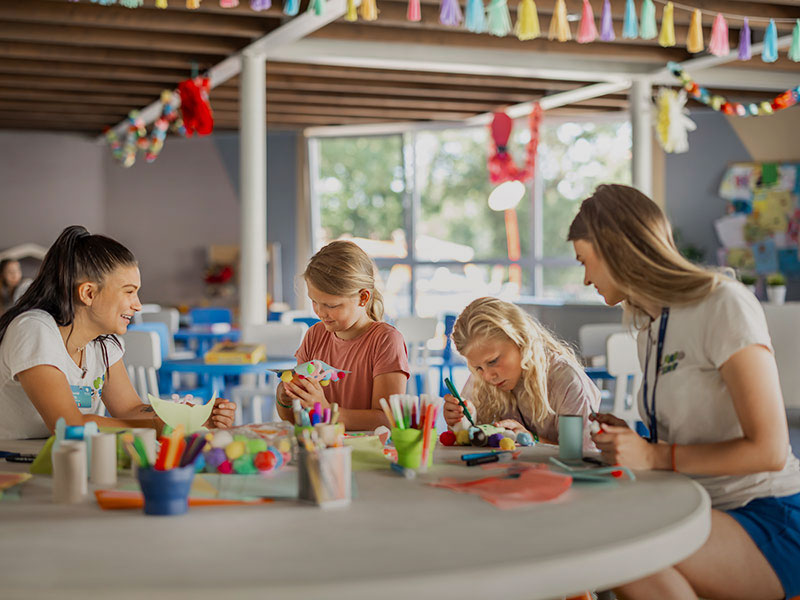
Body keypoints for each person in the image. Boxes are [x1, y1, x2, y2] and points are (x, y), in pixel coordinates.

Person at [568, 184, 800, 600]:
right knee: (603, 535)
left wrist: (654, 456)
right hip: (696, 504)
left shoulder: (723, 303)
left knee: (621, 551)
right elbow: (691, 437)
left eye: (586, 262)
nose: (586, 278)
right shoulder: (647, 324)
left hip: (768, 512)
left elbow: (771, 450)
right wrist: (635, 443)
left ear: (617, 249)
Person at [0, 225, 236, 440]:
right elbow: (70, 426)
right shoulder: (34, 330)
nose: (138, 305)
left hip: (62, 463)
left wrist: (188, 417)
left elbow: (130, 409)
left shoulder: (102, 344)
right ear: (88, 294)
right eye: (129, 292)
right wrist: (155, 427)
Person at [275, 240, 409, 430]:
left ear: (363, 298)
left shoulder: (385, 340)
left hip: (368, 453)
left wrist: (325, 410)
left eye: (331, 305)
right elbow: (295, 419)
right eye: (314, 302)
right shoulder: (314, 335)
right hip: (321, 450)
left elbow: (389, 421)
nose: (320, 313)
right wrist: (286, 399)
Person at [443, 297, 600, 450]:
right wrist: (461, 422)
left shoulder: (567, 381)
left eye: (493, 361)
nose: (487, 376)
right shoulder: (483, 378)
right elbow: (467, 440)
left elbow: (582, 455)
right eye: (478, 368)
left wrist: (532, 440)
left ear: (521, 340)